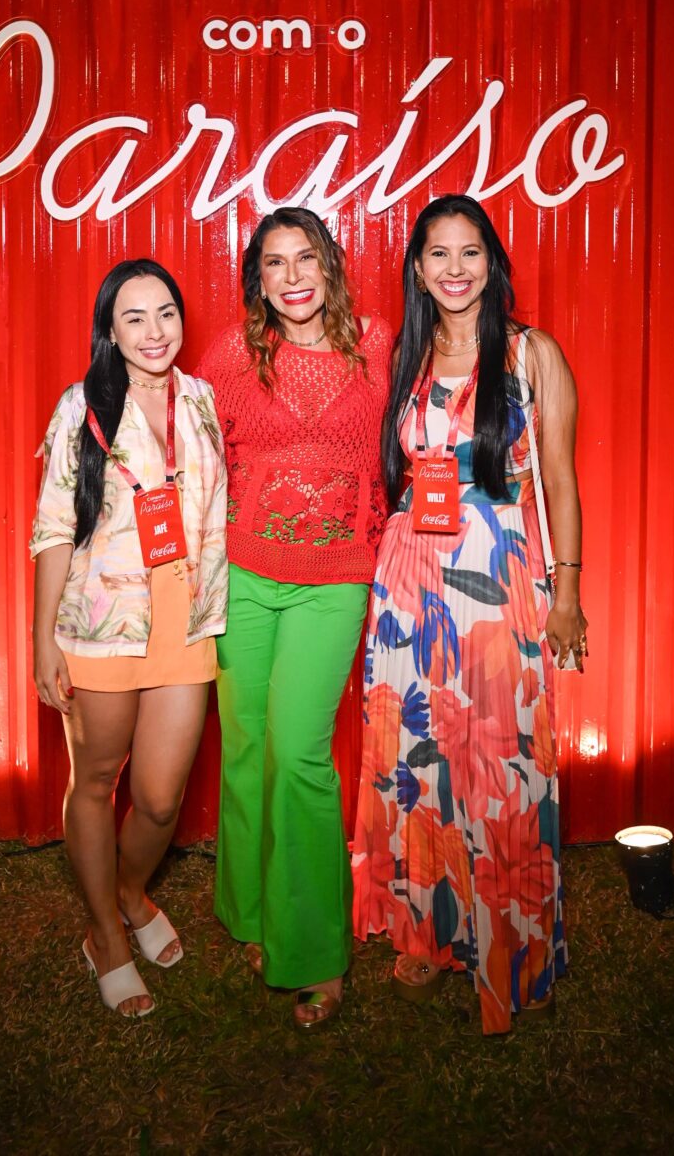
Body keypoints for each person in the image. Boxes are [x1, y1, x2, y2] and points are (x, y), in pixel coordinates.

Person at [351, 194, 587, 1035]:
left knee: (501, 760)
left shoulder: (530, 355)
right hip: (410, 578)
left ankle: (513, 942)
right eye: (438, 255)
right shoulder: (404, 357)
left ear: (493, 263)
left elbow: (557, 479)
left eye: (471, 253)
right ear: (417, 268)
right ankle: (428, 931)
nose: (455, 270)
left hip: (499, 580)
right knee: (422, 757)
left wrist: (570, 592)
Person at [198, 206, 391, 1030]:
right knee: (243, 746)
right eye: (273, 264)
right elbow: (196, 454)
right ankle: (251, 912)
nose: (292, 277)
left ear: (331, 266)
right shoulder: (229, 355)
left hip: (334, 577)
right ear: (258, 279)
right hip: (244, 574)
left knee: (301, 752)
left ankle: (314, 946)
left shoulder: (379, 345)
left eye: (304, 258)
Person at [30, 259, 227, 1016]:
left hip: (188, 621)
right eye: (135, 317)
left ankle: (130, 888)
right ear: (110, 330)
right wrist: (45, 639)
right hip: (102, 626)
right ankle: (107, 935)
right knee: (97, 782)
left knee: (158, 797)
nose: (155, 331)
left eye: (167, 313)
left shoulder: (204, 402)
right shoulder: (81, 407)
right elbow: (53, 529)